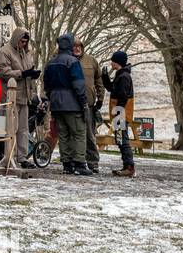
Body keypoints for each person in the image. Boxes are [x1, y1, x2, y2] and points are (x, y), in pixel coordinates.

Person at [44, 33, 92, 176]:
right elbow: (78, 84)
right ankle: (79, 163)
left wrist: (51, 97)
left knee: (63, 134)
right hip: (72, 104)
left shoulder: (50, 63)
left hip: (56, 104)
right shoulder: (73, 62)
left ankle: (67, 164)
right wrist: (83, 102)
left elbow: (46, 85)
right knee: (78, 133)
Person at [0, 26, 40, 168]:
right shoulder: (4, 52)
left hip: (24, 96)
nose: (24, 44)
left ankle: (22, 157)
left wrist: (32, 78)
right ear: (16, 39)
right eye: (22, 41)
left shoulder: (26, 53)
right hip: (10, 96)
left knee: (23, 129)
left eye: (26, 42)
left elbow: (28, 70)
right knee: (11, 128)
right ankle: (11, 155)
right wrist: (23, 73)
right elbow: (3, 72)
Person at [73, 37, 105, 173]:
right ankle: (76, 161)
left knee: (90, 134)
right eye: (74, 46)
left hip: (89, 103)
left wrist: (100, 98)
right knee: (74, 134)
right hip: (72, 103)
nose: (77, 48)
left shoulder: (91, 60)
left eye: (79, 46)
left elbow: (99, 79)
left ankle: (93, 162)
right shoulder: (68, 60)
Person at [102, 50, 136, 177]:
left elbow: (123, 97)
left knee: (123, 140)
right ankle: (126, 165)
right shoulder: (120, 74)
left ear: (117, 62)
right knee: (120, 139)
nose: (111, 63)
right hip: (119, 113)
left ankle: (129, 166)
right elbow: (111, 89)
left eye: (113, 60)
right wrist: (105, 77)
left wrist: (118, 113)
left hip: (121, 113)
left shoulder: (124, 77)